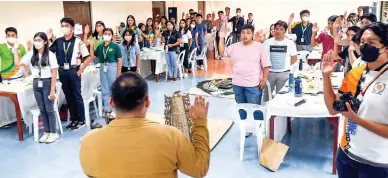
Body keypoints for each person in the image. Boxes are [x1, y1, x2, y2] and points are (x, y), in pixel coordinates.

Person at [79, 72, 210, 178]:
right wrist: (199, 123)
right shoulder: (170, 137)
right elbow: (199, 168)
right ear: (147, 101)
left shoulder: (89, 142)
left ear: (111, 102)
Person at [322, 22, 388, 178]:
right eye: (363, 42)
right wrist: (326, 77)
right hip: (347, 154)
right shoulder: (356, 72)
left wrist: (357, 119)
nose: (364, 46)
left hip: (378, 162)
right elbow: (333, 108)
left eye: (371, 42)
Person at [49, 17, 92, 130]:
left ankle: (81, 120)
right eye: (62, 25)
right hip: (62, 71)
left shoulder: (78, 41)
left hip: (74, 71)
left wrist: (79, 71)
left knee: (76, 95)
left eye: (66, 26)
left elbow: (88, 58)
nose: (64, 28)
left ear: (72, 28)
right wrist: (49, 39)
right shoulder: (58, 41)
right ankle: (74, 119)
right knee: (68, 96)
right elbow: (48, 52)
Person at [15, 32, 59, 143]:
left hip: (47, 82)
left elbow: (54, 73)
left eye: (39, 40)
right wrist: (15, 49)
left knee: (49, 109)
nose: (37, 42)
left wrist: (52, 90)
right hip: (36, 83)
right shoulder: (31, 54)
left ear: (45, 42)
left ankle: (54, 132)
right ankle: (46, 132)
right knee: (42, 109)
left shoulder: (50, 55)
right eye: (35, 40)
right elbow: (17, 63)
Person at [220, 24, 270, 105]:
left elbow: (266, 65)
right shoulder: (234, 47)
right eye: (243, 33)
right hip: (237, 85)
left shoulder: (259, 47)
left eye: (248, 33)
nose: (245, 35)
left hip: (253, 85)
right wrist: (222, 36)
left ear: (252, 34)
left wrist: (264, 79)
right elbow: (222, 52)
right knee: (242, 109)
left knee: (255, 111)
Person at [263, 20, 297, 101]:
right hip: (269, 73)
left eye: (281, 29)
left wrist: (287, 67)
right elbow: (263, 58)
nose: (278, 31)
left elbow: (294, 58)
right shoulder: (267, 42)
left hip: (284, 74)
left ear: (285, 31)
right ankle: (267, 112)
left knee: (281, 97)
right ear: (273, 30)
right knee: (266, 95)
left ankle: (278, 113)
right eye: (276, 29)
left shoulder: (289, 43)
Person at [90, 28, 122, 114]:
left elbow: (120, 60)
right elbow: (93, 56)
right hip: (102, 66)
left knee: (114, 87)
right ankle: (107, 108)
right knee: (104, 88)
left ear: (111, 36)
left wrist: (119, 73)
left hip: (112, 66)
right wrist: (91, 45)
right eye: (105, 33)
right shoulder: (100, 46)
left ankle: (117, 107)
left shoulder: (115, 46)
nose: (107, 35)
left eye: (109, 34)